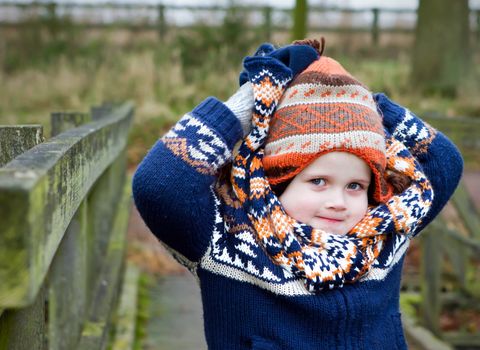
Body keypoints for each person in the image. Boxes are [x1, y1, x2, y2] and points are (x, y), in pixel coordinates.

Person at [132, 39, 463, 349]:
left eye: (355, 186)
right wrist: (256, 99)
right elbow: (159, 186)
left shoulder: (384, 234)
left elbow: (444, 162)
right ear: (279, 180)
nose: (338, 201)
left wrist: (361, 101)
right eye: (318, 181)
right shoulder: (229, 239)